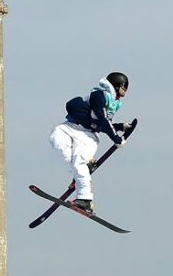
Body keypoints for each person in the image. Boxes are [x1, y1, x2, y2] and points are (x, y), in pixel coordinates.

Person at [49, 72, 131, 214]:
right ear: (117, 86)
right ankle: (80, 174)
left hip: (88, 135)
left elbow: (101, 123)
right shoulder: (99, 95)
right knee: (56, 137)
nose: (122, 96)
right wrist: (115, 137)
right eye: (123, 91)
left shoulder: (113, 102)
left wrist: (118, 127)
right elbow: (101, 117)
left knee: (78, 163)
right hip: (71, 126)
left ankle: (85, 200)